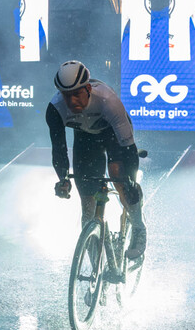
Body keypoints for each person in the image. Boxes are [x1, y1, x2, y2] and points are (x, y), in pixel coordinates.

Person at [48, 60, 147, 260]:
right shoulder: (55, 109)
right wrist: (63, 179)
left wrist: (130, 183)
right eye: (66, 96)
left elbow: (128, 148)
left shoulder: (108, 100)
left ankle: (138, 227)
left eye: (77, 94)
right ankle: (96, 265)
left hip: (113, 135)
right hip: (86, 138)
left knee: (119, 176)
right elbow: (58, 150)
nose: (72, 101)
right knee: (87, 205)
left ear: (88, 89)